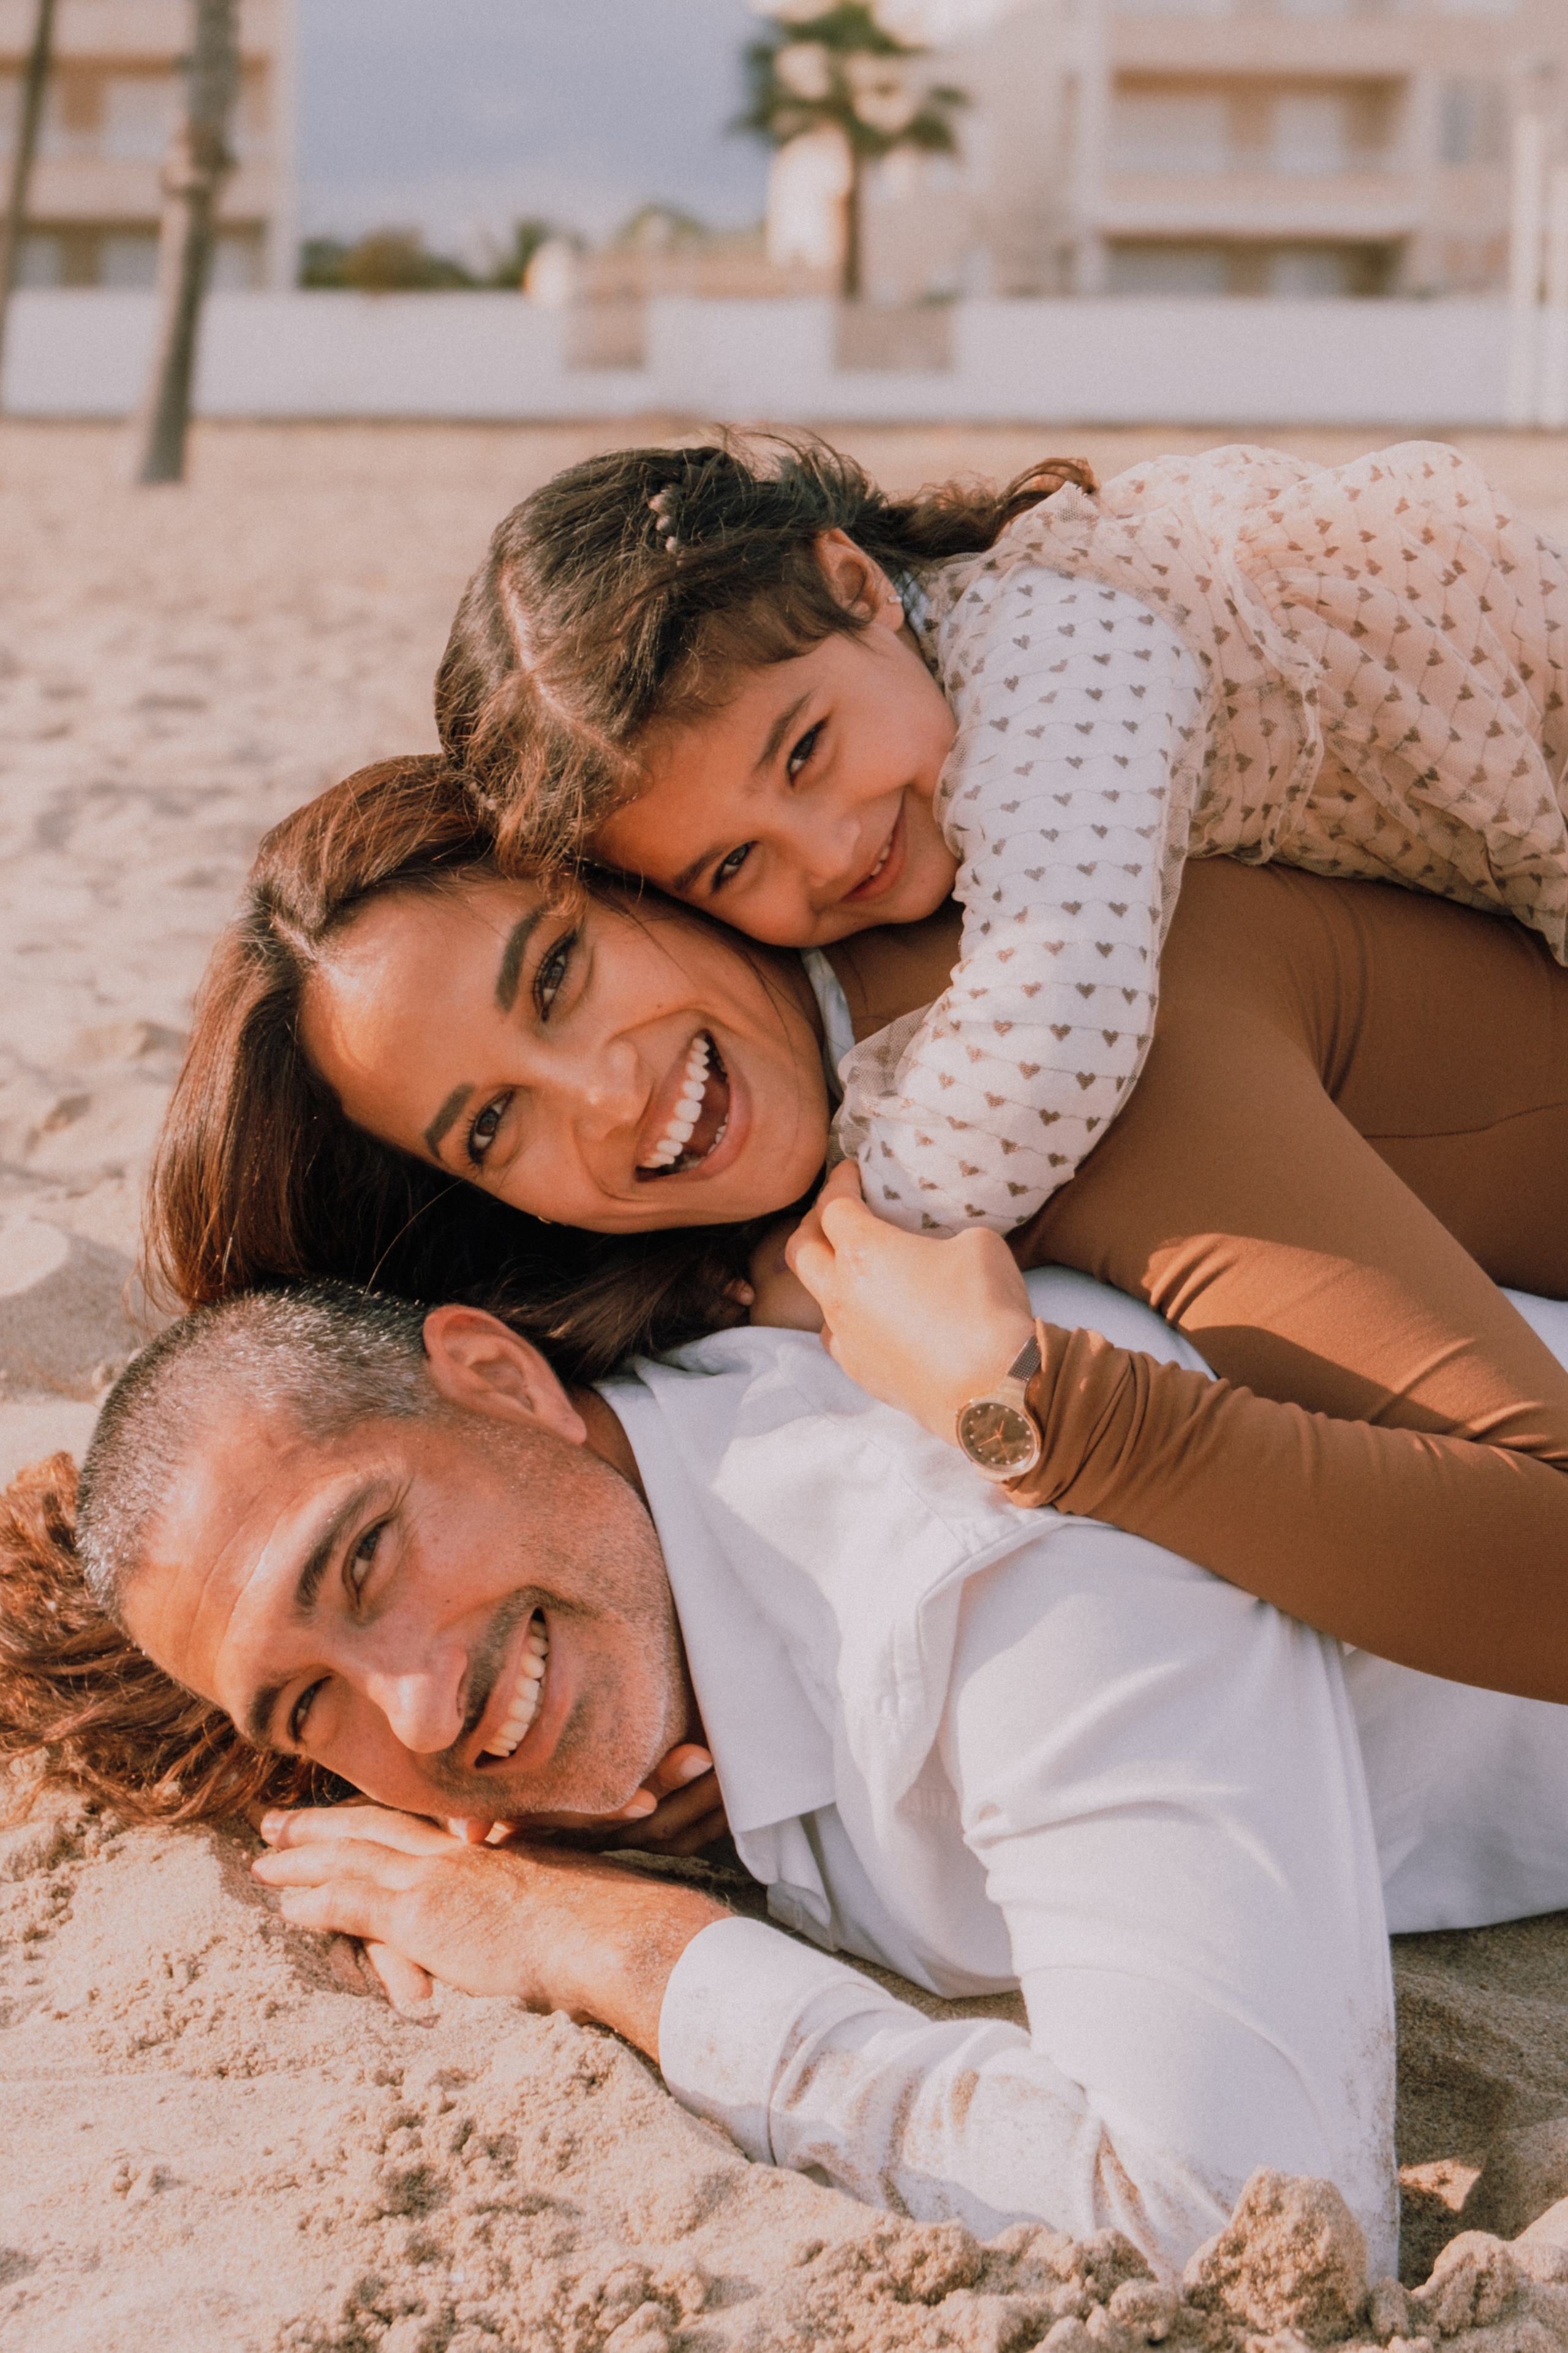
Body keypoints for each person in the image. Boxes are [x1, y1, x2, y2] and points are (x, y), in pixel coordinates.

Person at [10, 1273, 1568, 2281]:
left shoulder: (984, 1547)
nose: (416, 1706)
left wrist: (625, 1950)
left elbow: (1253, 2225)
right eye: (308, 1706)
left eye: (365, 1552)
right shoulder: (650, 1592)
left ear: (494, 1375)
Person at [146, 756, 1568, 1699]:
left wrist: (1027, 1411)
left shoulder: (1059, 1039)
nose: (605, 1095)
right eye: (491, 1126)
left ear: (636, 870)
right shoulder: (766, 1218)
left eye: (561, 972)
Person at [434, 434, 1568, 1238]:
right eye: (734, 865)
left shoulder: (1055, 645)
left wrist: (849, 1240)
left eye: (804, 752)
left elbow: (1061, 1019)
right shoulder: (918, 705)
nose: (827, 854)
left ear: (856, 582)